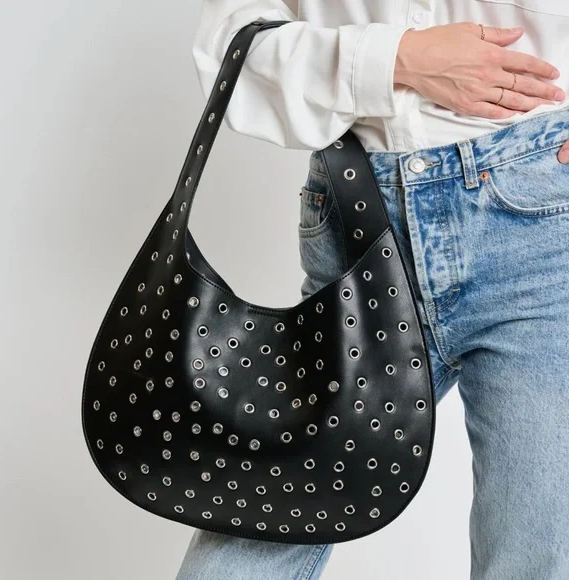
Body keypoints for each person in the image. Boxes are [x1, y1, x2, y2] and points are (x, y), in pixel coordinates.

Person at [176, 2, 569, 579]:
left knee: (538, 553)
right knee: (254, 532)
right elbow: (232, 41)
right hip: (356, 209)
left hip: (541, 213)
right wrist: (396, 59)